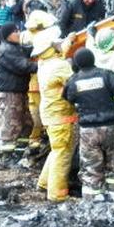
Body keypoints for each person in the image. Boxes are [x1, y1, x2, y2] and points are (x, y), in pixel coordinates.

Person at [63, 48, 114, 199]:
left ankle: (92, 203)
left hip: (88, 132)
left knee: (91, 168)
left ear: (77, 63)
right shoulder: (106, 75)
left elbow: (68, 97)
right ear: (93, 59)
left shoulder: (73, 80)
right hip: (110, 128)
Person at [32, 26, 77, 202]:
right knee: (62, 154)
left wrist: (68, 42)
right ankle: (57, 195)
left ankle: (44, 183)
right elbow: (74, 84)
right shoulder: (60, 67)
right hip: (60, 116)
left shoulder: (45, 62)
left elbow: (60, 53)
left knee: (56, 150)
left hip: (50, 115)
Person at [0, 22, 35, 153]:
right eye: (15, 31)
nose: (18, 33)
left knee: (25, 121)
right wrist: (46, 65)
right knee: (12, 122)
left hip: (19, 91)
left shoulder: (15, 47)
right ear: (8, 36)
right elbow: (23, 66)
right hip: (9, 93)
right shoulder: (7, 50)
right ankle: (6, 153)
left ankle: (20, 148)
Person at [22, 10, 56, 152]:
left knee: (42, 112)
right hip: (36, 82)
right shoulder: (27, 38)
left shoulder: (38, 36)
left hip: (42, 81)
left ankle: (40, 137)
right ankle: (35, 139)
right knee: (37, 114)